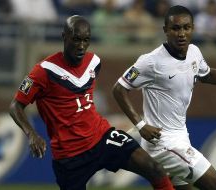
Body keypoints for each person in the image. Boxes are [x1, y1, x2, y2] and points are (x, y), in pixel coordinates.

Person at [9, 15, 174, 190]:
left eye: (86, 40)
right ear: (64, 36)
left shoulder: (94, 62)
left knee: (155, 169)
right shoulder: (43, 71)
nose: (81, 46)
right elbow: (15, 106)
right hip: (69, 155)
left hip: (102, 137)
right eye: (76, 39)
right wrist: (32, 134)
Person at [113, 5, 216, 190]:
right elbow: (119, 89)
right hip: (163, 143)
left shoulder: (194, 52)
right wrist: (141, 125)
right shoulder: (150, 61)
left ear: (193, 28)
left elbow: (207, 75)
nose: (181, 33)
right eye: (175, 28)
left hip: (180, 136)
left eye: (186, 27)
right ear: (165, 30)